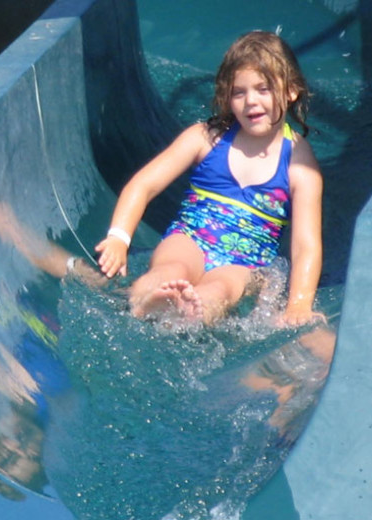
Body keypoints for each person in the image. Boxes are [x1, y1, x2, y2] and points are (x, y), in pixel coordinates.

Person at [95, 31, 324, 326]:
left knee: (222, 289)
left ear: (291, 91)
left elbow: (306, 245)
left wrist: (299, 304)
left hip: (244, 263)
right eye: (239, 92)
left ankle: (192, 311)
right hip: (191, 237)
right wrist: (118, 238)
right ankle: (149, 298)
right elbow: (144, 184)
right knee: (170, 268)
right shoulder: (206, 139)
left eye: (263, 89)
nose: (250, 101)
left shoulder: (300, 165)